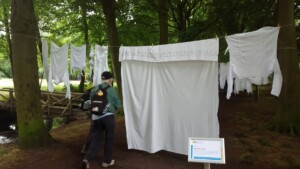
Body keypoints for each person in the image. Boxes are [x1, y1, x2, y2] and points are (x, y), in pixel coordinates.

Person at [81, 71, 122, 169]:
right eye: (112, 78)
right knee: (109, 138)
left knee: (96, 139)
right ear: (111, 79)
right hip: (108, 118)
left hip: (96, 118)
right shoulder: (112, 90)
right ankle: (106, 161)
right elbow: (119, 105)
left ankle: (87, 159)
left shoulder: (94, 89)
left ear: (102, 79)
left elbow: (91, 103)